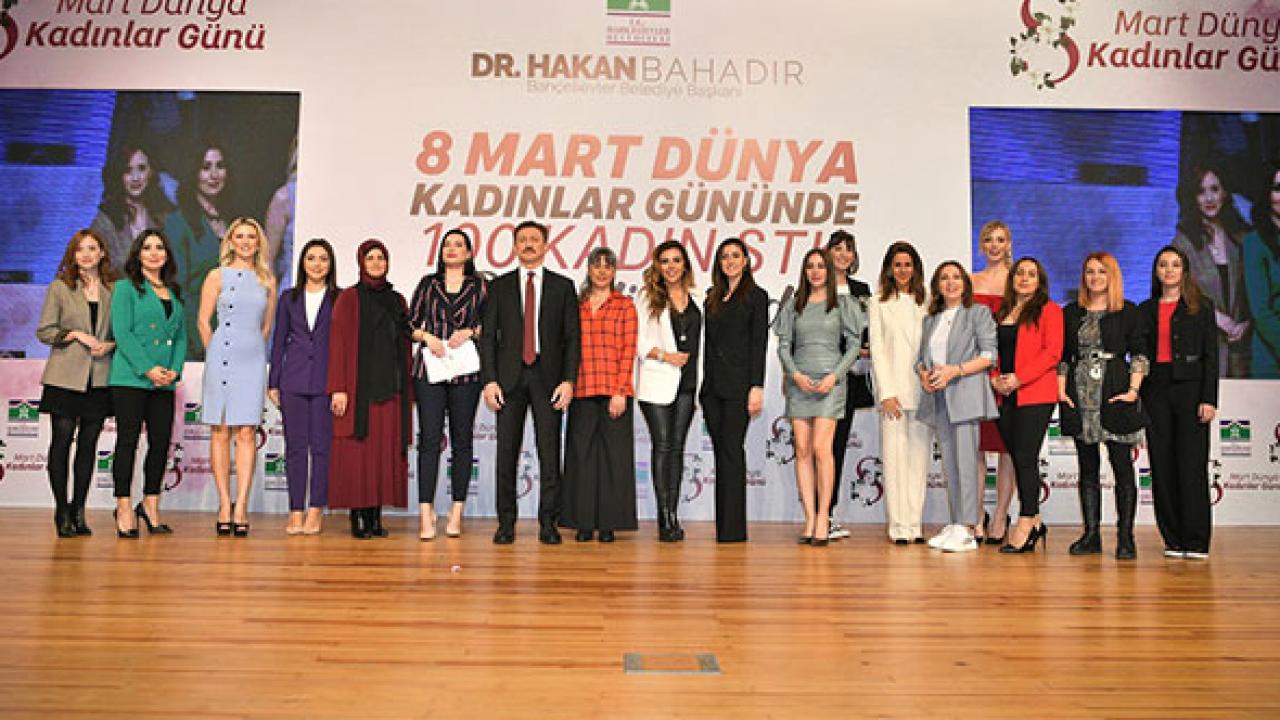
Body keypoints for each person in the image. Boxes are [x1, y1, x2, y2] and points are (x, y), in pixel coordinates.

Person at [480, 221, 581, 545]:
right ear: (514, 247)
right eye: (522, 239)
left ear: (546, 246)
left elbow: (572, 339)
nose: (528, 244)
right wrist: (489, 380)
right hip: (507, 380)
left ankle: (549, 523)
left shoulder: (563, 286)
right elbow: (488, 339)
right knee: (506, 454)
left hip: (548, 379)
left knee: (549, 454)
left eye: (534, 239)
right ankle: (505, 523)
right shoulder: (499, 287)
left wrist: (569, 380)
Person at [1058, 252, 1148, 560]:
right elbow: (1063, 357)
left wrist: (1133, 391)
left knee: (1122, 466)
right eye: (1089, 272)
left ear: (1112, 276)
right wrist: (1061, 391)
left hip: (1115, 392)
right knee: (1087, 467)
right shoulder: (1071, 312)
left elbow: (1139, 354)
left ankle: (1126, 537)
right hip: (1079, 395)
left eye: (1101, 271)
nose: (1095, 277)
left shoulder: (1128, 311)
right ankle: (1091, 535)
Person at [774, 248, 863, 546]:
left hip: (830, 384)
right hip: (799, 382)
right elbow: (783, 345)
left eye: (820, 266)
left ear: (829, 270)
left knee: (822, 449)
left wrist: (834, 376)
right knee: (802, 449)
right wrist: (795, 375)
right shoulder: (794, 305)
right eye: (810, 266)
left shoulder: (843, 304)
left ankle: (824, 515)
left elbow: (854, 346)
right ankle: (809, 518)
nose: (815, 271)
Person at [328, 240, 413, 539]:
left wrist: (409, 390)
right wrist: (338, 388)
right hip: (358, 392)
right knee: (358, 457)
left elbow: (405, 345)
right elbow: (338, 344)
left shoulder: (398, 300)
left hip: (391, 391)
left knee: (382, 456)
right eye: (371, 258)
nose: (376, 263)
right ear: (361, 262)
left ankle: (375, 517)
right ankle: (358, 517)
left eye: (381, 258)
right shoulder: (349, 298)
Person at [197, 218, 276, 537]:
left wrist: (252, 349)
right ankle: (224, 504)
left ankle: (241, 505)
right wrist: (214, 353)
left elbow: (266, 326)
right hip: (221, 356)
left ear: (259, 243)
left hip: (252, 360)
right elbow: (203, 321)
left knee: (246, 432)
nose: (245, 242)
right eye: (239, 236)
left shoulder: (267, 279)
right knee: (220, 431)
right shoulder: (216, 276)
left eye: (251, 237)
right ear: (229, 241)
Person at [36, 229, 117, 537]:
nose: (86, 254)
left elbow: (122, 331)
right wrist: (74, 334)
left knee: (88, 446)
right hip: (64, 378)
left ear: (102, 253)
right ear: (72, 255)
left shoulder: (115, 289)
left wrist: (109, 345)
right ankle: (62, 510)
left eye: (92, 248)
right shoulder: (60, 288)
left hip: (99, 379)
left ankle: (79, 509)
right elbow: (45, 331)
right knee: (61, 443)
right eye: (80, 249)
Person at [407, 228, 486, 540]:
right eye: (447, 245)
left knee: (462, 440)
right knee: (429, 439)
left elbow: (494, 324)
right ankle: (425, 513)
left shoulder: (481, 285)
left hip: (467, 372)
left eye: (458, 245)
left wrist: (471, 331)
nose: (452, 249)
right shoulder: (428, 284)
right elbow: (409, 324)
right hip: (430, 370)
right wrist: (427, 337)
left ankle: (456, 512)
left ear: (468, 253)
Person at [1140, 246, 1218, 560]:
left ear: (1184, 270)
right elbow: (1140, 355)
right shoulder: (1146, 309)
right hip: (1155, 392)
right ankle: (1172, 538)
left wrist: (1208, 398)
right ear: (1156, 271)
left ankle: (1196, 540)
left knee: (1191, 465)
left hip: (1190, 391)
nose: (1169, 270)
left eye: (1175, 265)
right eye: (1163, 265)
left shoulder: (1201, 307)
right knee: (1162, 465)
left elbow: (1211, 357)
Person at [108, 229, 187, 538]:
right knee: (127, 442)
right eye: (147, 248)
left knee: (160, 443)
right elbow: (122, 333)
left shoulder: (174, 291)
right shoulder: (125, 288)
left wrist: (174, 371)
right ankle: (124, 507)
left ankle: (151, 504)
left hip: (164, 382)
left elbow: (180, 337)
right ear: (138, 254)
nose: (154, 253)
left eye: (160, 248)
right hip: (131, 378)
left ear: (167, 254)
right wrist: (148, 369)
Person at [916, 261, 998, 553]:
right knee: (950, 463)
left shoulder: (978, 313)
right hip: (939, 399)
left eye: (956, 277)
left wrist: (955, 371)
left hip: (965, 395)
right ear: (937, 286)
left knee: (966, 463)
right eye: (944, 278)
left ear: (965, 283)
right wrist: (923, 375)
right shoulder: (931, 320)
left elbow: (988, 356)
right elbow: (921, 359)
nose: (950, 283)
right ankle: (956, 522)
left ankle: (969, 525)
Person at [561, 248, 638, 543]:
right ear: (588, 269)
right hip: (581, 389)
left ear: (615, 271)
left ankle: (608, 524)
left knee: (613, 460)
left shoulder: (624, 306)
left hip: (613, 392)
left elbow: (628, 350)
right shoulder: (576, 306)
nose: (602, 271)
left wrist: (620, 390)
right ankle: (583, 523)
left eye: (608, 266)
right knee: (581, 458)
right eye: (597, 265)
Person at [700, 237, 769, 543]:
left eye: (735, 256)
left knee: (731, 452)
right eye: (724, 256)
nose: (730, 261)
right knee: (722, 453)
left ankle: (733, 530)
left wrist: (756, 386)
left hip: (740, 387)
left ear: (745, 261)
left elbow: (758, 344)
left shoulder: (756, 296)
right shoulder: (712, 297)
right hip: (712, 389)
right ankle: (724, 527)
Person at [993, 257, 1063, 554]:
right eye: (1019, 273)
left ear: (1040, 280)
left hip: (1035, 393)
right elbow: (991, 350)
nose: (1024, 278)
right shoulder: (1003, 311)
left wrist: (1019, 379)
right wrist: (995, 379)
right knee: (1019, 456)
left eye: (1031, 274)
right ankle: (1035, 521)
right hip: (1003, 394)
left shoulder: (1050, 310)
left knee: (1024, 456)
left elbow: (1052, 353)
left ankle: (1025, 520)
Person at [268, 238, 338, 536]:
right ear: (302, 263)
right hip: (293, 381)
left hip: (326, 382)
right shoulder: (289, 298)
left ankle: (315, 510)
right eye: (311, 258)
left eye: (323, 258)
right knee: (295, 448)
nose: (317, 264)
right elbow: (279, 340)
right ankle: (295, 510)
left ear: (330, 264)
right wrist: (274, 381)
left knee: (321, 448)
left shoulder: (340, 298)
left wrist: (341, 385)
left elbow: (344, 346)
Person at [636, 240, 701, 543]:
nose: (671, 266)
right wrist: (665, 356)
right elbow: (637, 342)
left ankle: (673, 513)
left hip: (688, 383)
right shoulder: (647, 297)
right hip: (657, 382)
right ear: (657, 266)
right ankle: (664, 517)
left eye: (676, 260)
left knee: (677, 448)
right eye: (665, 261)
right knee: (662, 446)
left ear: (685, 265)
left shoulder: (699, 297)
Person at [869, 241, 930, 545]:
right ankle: (898, 526)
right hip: (893, 393)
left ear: (915, 268)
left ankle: (915, 524)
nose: (903, 270)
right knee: (894, 461)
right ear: (889, 269)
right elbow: (877, 350)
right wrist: (886, 392)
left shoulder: (928, 301)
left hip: (924, 391)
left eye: (908, 265)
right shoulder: (878, 302)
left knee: (919, 461)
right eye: (898, 265)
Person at [1171, 162, 1251, 378]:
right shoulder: (1183, 243)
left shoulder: (1244, 238)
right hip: (1201, 348)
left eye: (1214, 189)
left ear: (1224, 193)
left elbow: (1257, 292)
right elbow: (1174, 295)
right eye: (1201, 191)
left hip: (1243, 351)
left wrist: (1247, 323)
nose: (1209, 198)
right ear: (1193, 198)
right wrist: (1215, 317)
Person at [165, 139, 236, 361]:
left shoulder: (234, 220)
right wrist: (202, 338)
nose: (214, 175)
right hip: (196, 336)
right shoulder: (178, 222)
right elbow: (178, 289)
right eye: (205, 167)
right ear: (193, 173)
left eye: (220, 166)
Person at [825, 230, 874, 541]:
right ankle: (816, 513)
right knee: (820, 448)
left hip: (851, 378)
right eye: (837, 248)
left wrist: (867, 348)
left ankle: (829, 513)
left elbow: (869, 330)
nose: (843, 254)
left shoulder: (862, 290)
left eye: (848, 249)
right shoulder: (815, 286)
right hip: (822, 378)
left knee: (838, 446)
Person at [971, 220, 1016, 544]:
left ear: (1008, 244)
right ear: (982, 245)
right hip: (976, 371)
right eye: (989, 240)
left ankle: (1000, 515)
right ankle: (976, 515)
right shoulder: (971, 281)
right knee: (975, 445)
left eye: (1000, 240)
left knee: (1007, 448)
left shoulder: (1019, 281)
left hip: (1010, 372)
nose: (994, 246)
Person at [90, 141, 173, 274]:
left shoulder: (165, 216)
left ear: (151, 172)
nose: (135, 178)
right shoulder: (105, 220)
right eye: (128, 171)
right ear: (119, 175)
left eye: (141, 168)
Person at [1243, 161, 1280, 378]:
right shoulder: (1255, 243)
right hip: (1271, 354)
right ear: (1267, 194)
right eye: (1278, 188)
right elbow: (1261, 312)